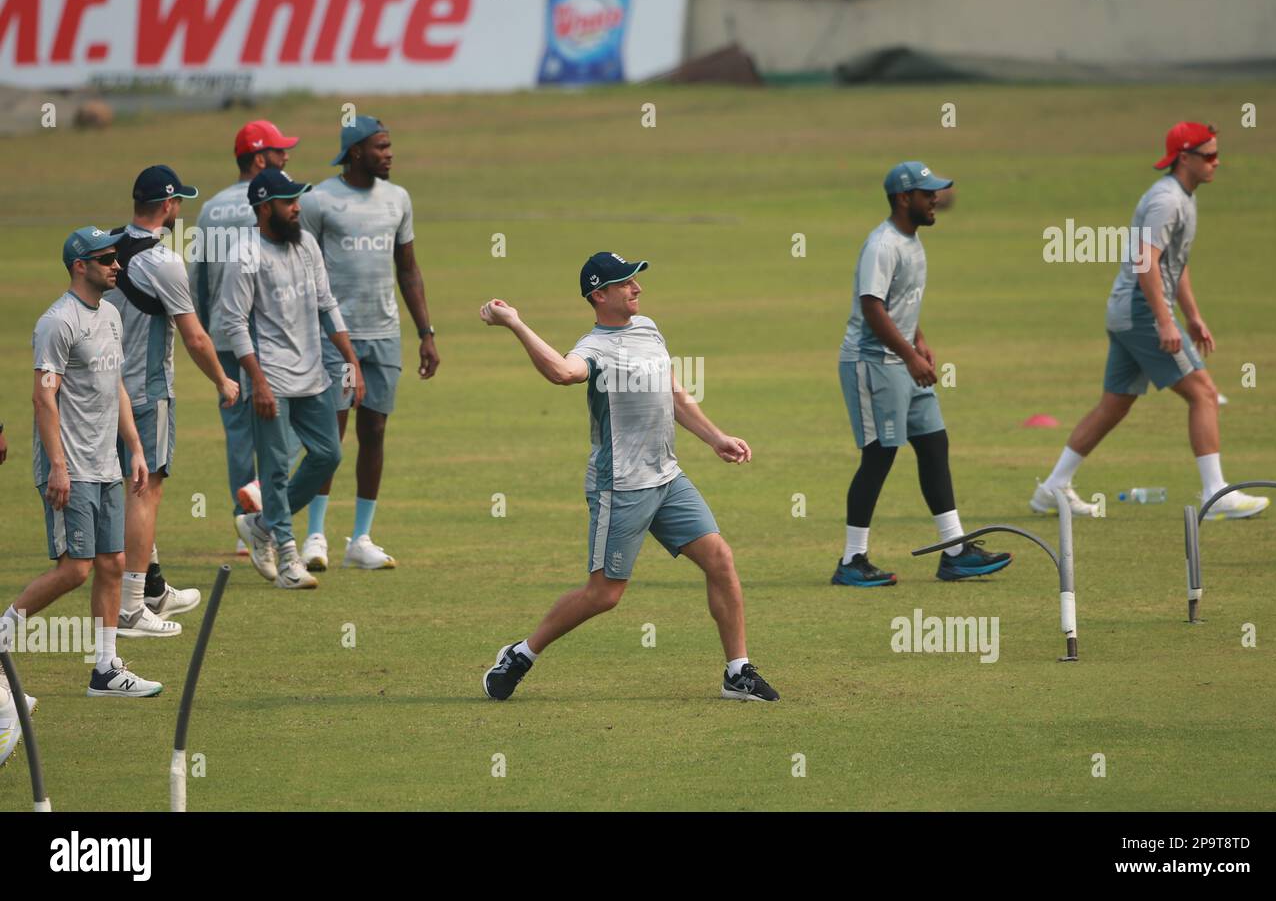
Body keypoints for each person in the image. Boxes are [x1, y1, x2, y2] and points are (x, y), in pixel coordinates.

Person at [479, 252, 779, 702]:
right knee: (604, 595)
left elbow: (672, 392)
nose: (636, 288)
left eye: (636, 280)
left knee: (721, 560)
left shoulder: (648, 328)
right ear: (599, 295)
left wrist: (714, 437)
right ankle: (520, 654)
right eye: (625, 283)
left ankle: (737, 672)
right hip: (620, 486)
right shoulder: (593, 348)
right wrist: (516, 323)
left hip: (667, 478)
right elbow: (563, 373)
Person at [1031, 122, 1269, 520]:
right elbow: (1147, 262)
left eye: (1217, 154)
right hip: (1141, 311)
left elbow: (1176, 264)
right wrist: (1165, 321)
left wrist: (1191, 316)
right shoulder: (1166, 201)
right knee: (1204, 393)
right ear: (1184, 157)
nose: (1216, 162)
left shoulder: (1184, 199)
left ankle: (1052, 488)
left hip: (1131, 310)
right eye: (1209, 155)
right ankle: (1216, 495)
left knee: (1115, 404)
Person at [833, 162, 1013, 587]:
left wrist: (920, 339)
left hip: (901, 358)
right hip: (873, 363)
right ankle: (851, 560)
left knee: (934, 443)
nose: (936, 199)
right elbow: (873, 308)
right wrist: (910, 356)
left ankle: (955, 551)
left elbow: (901, 304)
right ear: (903, 198)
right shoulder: (883, 244)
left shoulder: (912, 241)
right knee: (880, 455)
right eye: (927, 192)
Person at [0, 227, 162, 698]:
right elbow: (42, 399)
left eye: (116, 257)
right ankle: (4, 630)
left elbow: (117, 387)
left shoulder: (111, 315)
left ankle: (106, 669)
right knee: (76, 569)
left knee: (113, 562)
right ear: (80, 266)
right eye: (107, 258)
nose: (117, 265)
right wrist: (57, 466)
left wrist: (133, 448)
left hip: (106, 464)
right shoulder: (58, 322)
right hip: (69, 466)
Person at [297, 115, 440, 572]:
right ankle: (314, 535)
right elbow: (302, 271)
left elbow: (409, 269)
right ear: (356, 151)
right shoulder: (320, 200)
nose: (390, 154)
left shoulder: (398, 199)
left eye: (390, 146)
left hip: (384, 334)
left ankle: (360, 538)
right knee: (329, 437)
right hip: (335, 337)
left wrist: (426, 333)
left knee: (374, 431)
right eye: (381, 147)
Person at [104, 165, 238, 638]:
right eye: (179, 201)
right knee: (146, 487)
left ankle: (154, 587)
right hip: (145, 391)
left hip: (101, 389)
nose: (181, 209)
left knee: (125, 485)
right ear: (168, 206)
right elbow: (196, 337)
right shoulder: (163, 260)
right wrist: (223, 380)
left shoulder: (107, 245)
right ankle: (132, 606)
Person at [222, 168, 364, 590]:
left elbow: (326, 304)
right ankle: (287, 558)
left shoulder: (305, 244)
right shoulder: (244, 254)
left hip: (313, 374)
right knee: (276, 470)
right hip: (270, 380)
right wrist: (258, 382)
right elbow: (233, 325)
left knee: (328, 456)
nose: (297, 207)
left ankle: (262, 525)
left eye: (298, 199)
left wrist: (351, 360)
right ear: (265, 208)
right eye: (289, 201)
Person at [191, 120, 301, 550]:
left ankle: (243, 526)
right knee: (291, 423)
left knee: (238, 432)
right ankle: (261, 499)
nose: (286, 157)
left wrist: (202, 328)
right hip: (270, 336)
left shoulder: (210, 208)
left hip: (221, 335)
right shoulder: (276, 201)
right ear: (259, 159)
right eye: (279, 152)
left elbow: (198, 278)